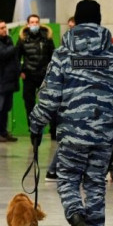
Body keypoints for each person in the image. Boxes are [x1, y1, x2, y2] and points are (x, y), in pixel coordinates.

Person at [29, 0, 113, 226]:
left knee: (68, 179)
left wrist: (36, 123)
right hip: (105, 132)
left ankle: (77, 218)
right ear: (100, 20)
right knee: (95, 183)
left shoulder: (63, 54)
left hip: (72, 131)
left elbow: (49, 97)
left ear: (77, 21)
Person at [45, 16, 76, 182]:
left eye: (73, 26)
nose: (71, 30)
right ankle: (53, 170)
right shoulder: (63, 51)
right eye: (69, 26)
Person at [16, 14, 55, 137]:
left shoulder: (47, 38)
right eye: (32, 22)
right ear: (28, 24)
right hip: (29, 75)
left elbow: (53, 56)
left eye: (36, 22)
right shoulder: (22, 39)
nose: (34, 24)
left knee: (49, 103)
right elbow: (17, 57)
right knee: (29, 104)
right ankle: (33, 129)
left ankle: (53, 130)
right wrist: (20, 71)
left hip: (44, 75)